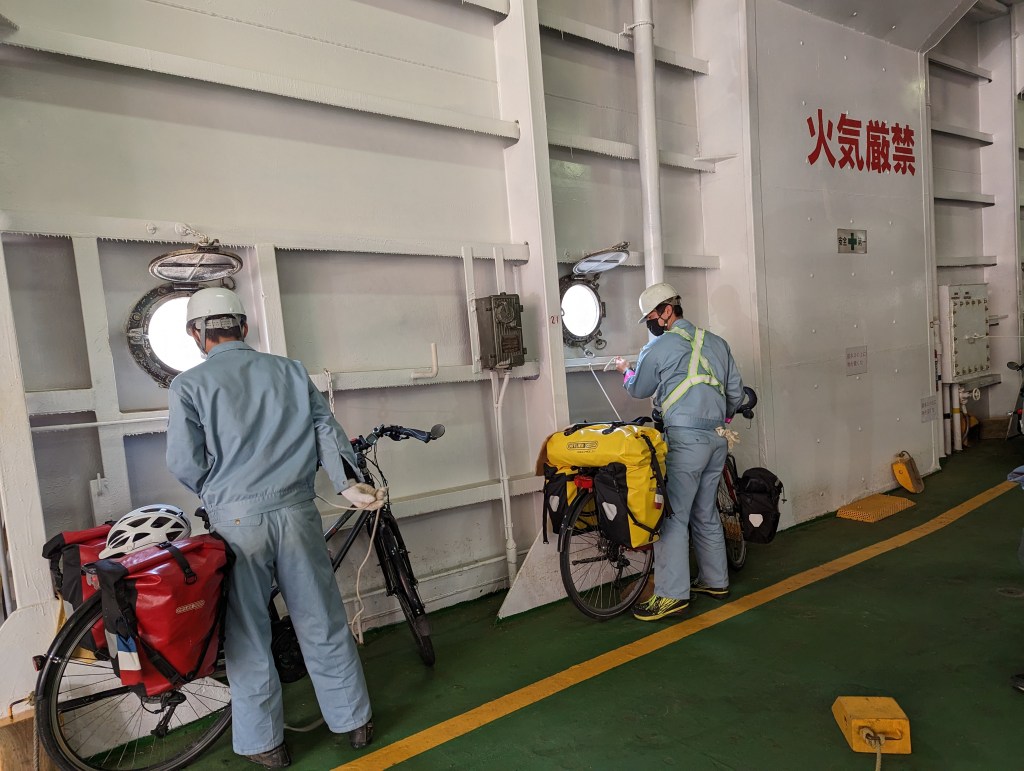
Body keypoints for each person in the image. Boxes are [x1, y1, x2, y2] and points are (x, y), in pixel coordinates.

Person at [166, 287, 378, 768]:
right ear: (243, 326)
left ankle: (266, 744)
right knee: (322, 618)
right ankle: (355, 721)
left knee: (247, 633)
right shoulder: (291, 371)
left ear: (197, 334)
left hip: (237, 523)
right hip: (298, 512)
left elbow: (184, 462)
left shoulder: (188, 386)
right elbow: (327, 430)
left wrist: (220, 492)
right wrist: (346, 484)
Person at [614, 282, 744, 621]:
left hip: (685, 442)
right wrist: (720, 419)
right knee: (705, 511)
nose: (650, 324)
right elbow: (736, 394)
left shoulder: (659, 346)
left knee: (672, 517)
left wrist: (625, 371)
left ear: (667, 311)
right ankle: (715, 581)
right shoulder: (718, 343)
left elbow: (639, 388)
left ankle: (672, 596)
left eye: (651, 317)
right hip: (718, 439)